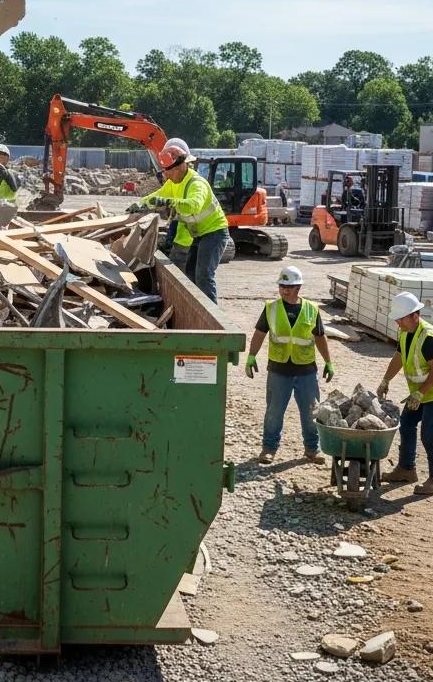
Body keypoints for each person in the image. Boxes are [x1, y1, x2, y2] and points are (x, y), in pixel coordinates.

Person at [244, 265, 335, 465]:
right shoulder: (271, 308)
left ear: (298, 288)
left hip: (306, 371)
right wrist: (251, 356)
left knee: (311, 412)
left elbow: (320, 337)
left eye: (289, 286)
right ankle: (269, 448)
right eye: (282, 285)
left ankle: (312, 449)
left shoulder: (311, 309)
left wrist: (328, 361)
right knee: (274, 412)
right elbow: (259, 334)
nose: (284, 290)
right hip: (279, 370)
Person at [376, 292, 433, 496]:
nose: (398, 324)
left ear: (416, 315)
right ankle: (406, 469)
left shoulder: (430, 338)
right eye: (397, 319)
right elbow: (399, 356)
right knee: (406, 424)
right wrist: (386, 379)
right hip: (420, 392)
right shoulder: (405, 332)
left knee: (429, 433)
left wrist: (421, 394)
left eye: (401, 319)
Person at [134, 141, 230, 302]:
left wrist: (169, 202)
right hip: (200, 234)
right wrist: (137, 206)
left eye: (167, 171)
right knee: (191, 273)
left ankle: (213, 318)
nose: (165, 175)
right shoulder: (174, 183)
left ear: (179, 167)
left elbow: (194, 206)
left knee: (204, 275)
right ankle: (199, 308)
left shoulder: (196, 184)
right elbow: (156, 197)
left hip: (215, 233)